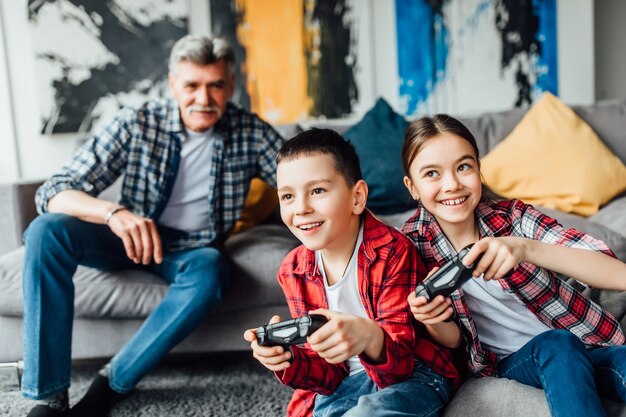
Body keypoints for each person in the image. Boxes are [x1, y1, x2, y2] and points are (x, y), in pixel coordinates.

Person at [21, 34, 285, 417]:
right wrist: (114, 214)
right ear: (173, 83)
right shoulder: (137, 122)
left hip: (191, 251)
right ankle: (48, 397)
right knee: (46, 231)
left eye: (215, 85)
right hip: (123, 237)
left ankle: (109, 386)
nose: (204, 99)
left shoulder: (250, 132)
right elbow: (54, 191)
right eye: (192, 85)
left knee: (211, 269)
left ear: (231, 85)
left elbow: (298, 176)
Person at [400, 114, 626, 417]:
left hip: (586, 344)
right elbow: (453, 340)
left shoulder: (513, 218)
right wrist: (431, 319)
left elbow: (617, 273)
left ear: (479, 171)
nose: (452, 184)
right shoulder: (409, 244)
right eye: (432, 174)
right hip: (516, 361)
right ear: (411, 186)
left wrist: (526, 248)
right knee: (557, 344)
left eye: (464, 167)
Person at [243, 128, 461, 417]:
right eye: (287, 196)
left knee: (370, 412)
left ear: (357, 197)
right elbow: (327, 376)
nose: (301, 208)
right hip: (343, 386)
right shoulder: (293, 270)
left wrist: (371, 338)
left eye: (317, 191)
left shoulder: (393, 251)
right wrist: (287, 359)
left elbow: (401, 368)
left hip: (413, 377)